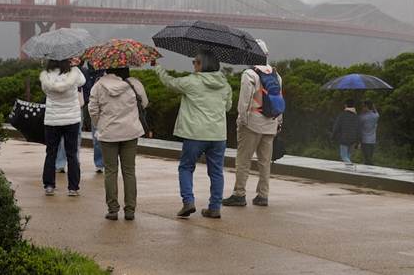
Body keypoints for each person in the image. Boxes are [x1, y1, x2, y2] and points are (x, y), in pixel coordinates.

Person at [154, 50, 233, 219]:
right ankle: (215, 207)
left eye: (195, 62)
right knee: (217, 172)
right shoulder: (224, 85)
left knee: (186, 167)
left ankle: (188, 201)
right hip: (218, 135)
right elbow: (227, 107)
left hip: (195, 134)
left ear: (202, 64)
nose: (193, 65)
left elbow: (170, 83)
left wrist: (158, 67)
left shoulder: (191, 82)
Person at [223, 40, 282, 208]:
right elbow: (279, 101)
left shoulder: (249, 74)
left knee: (243, 160)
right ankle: (263, 195)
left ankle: (239, 194)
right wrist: (278, 122)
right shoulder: (276, 75)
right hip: (271, 123)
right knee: (265, 162)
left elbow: (244, 102)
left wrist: (241, 121)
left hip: (252, 124)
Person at [88, 66, 148, 221]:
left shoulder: (99, 85)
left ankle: (113, 210)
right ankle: (130, 210)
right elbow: (145, 103)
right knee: (129, 171)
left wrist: (100, 124)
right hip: (130, 132)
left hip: (108, 134)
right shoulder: (135, 84)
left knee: (110, 171)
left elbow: (93, 110)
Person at [40, 59, 86, 197]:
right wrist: (75, 66)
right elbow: (82, 81)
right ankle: (73, 187)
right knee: (72, 154)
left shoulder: (46, 76)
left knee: (51, 153)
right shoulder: (74, 73)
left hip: (52, 120)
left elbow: (44, 90)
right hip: (71, 119)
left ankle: (49, 185)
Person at [58, 62, 105, 174]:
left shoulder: (103, 74)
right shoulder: (82, 71)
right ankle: (69, 162)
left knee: (98, 135)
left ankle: (100, 163)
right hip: (80, 104)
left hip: (97, 105)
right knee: (74, 134)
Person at [332, 99, 361, 166]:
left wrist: (333, 136)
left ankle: (350, 167)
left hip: (344, 138)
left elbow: (336, 127)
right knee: (348, 156)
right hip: (353, 139)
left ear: (345, 105)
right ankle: (348, 171)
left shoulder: (342, 115)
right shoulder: (356, 116)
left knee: (344, 156)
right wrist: (358, 141)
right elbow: (359, 129)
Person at [360, 100, 380, 165]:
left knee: (367, 159)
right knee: (369, 157)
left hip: (365, 140)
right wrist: (373, 107)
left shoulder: (363, 117)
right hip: (373, 140)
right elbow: (376, 113)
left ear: (366, 107)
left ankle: (367, 171)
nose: (362, 108)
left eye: (363, 106)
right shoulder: (376, 116)